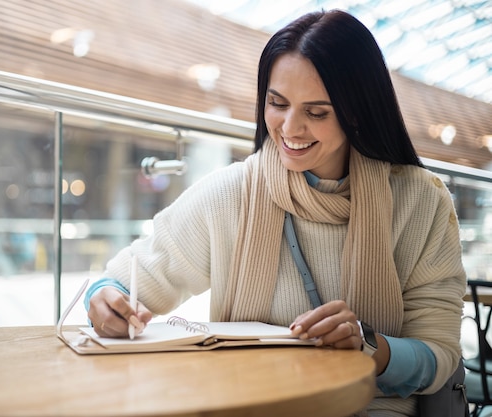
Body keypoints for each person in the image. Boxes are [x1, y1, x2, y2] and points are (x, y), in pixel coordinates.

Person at [85, 9, 466, 416]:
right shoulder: (231, 194)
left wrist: (367, 344)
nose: (289, 128)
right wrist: (107, 300)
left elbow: (439, 355)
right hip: (247, 403)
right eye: (277, 103)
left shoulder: (420, 202)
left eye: (317, 112)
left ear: (357, 111)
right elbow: (123, 282)